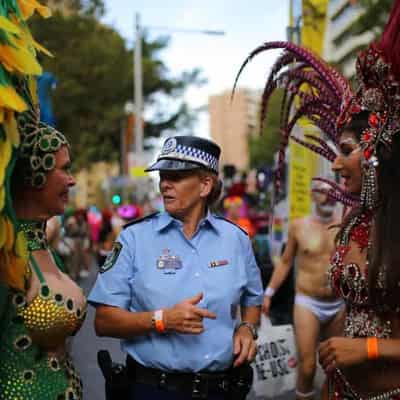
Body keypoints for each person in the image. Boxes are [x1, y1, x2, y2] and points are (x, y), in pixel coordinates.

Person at [235, 0, 400, 398]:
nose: (336, 164)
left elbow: (365, 340)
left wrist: (368, 349)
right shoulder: (355, 224)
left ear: (377, 149)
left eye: (345, 150)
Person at [88, 135, 263, 400]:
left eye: (176, 177)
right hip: (153, 390)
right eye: (162, 176)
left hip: (222, 390)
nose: (165, 185)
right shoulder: (133, 238)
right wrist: (162, 320)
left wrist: (247, 328)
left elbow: (253, 298)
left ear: (205, 185)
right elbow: (103, 321)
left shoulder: (236, 239)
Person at [0, 90, 87, 398]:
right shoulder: (7, 254)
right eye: (63, 168)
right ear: (34, 174)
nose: (72, 180)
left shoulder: (43, 244)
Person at [262, 185, 342, 399]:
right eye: (322, 191)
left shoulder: (345, 223)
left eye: (332, 192)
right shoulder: (299, 226)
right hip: (308, 303)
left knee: (337, 366)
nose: (328, 196)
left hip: (338, 303)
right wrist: (268, 293)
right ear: (312, 195)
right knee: (307, 367)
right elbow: (285, 262)